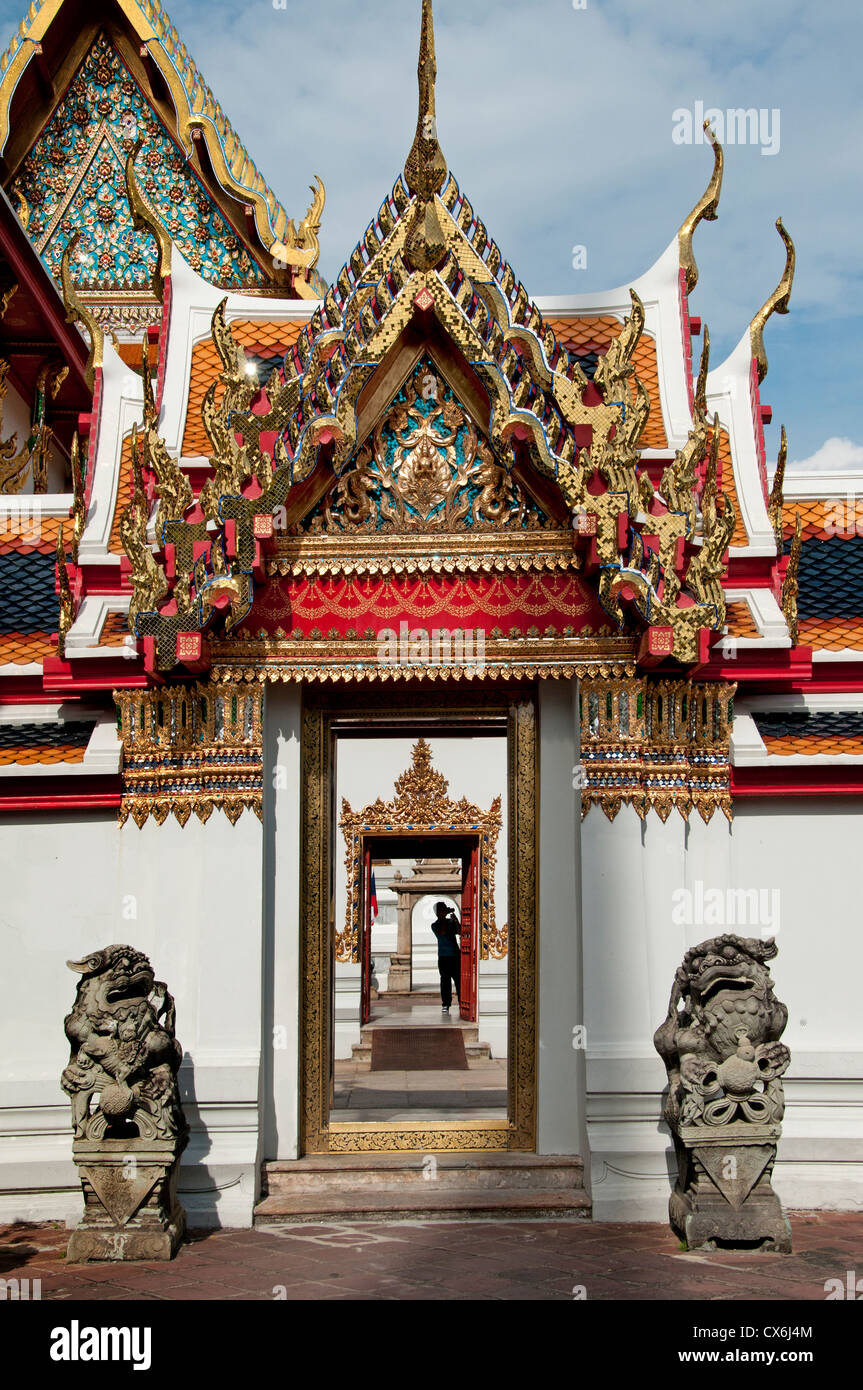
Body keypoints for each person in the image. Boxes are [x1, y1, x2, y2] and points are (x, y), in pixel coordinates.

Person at [431, 900, 460, 1013]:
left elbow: (460, 931)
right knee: (445, 981)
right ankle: (446, 1003)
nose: (444, 911)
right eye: (441, 910)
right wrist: (444, 918)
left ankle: (462, 1001)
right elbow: (442, 932)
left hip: (455, 955)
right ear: (438, 913)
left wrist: (455, 920)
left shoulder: (450, 922)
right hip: (443, 957)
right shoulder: (435, 925)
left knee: (458, 980)